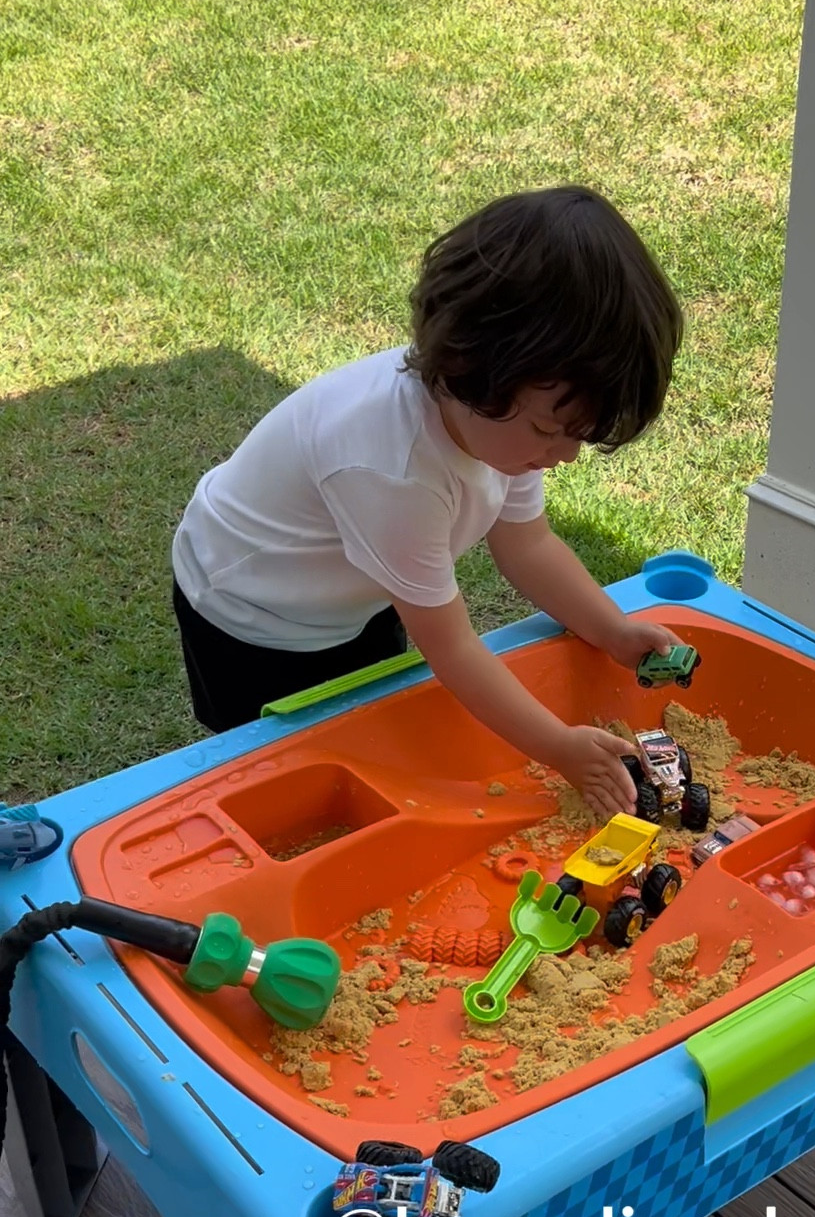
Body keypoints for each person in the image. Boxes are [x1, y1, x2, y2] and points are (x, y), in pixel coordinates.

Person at [171, 184, 684, 817]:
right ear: (472, 367)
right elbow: (454, 648)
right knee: (281, 773)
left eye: (576, 434)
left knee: (370, 725)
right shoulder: (392, 470)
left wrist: (611, 628)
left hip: (354, 587)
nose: (565, 454)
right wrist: (559, 746)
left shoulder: (500, 423)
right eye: (553, 431)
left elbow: (528, 545)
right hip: (249, 611)